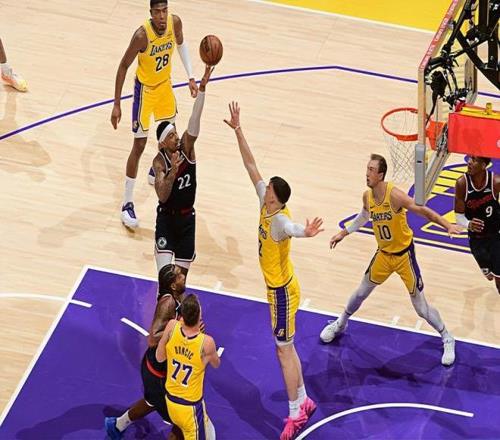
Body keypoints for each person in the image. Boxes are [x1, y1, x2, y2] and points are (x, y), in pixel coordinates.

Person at [224, 102, 323, 439]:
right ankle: (304, 399)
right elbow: (251, 165)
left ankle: (295, 413)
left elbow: (292, 228)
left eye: (268, 189)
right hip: (279, 288)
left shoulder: (279, 219)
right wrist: (238, 130)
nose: (263, 186)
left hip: (281, 292)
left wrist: (306, 232)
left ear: (275, 199)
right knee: (287, 348)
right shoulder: (264, 202)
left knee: (283, 351)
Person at [320, 154, 462, 366]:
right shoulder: (367, 196)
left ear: (381, 175)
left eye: (371, 170)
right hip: (384, 255)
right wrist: (344, 232)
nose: (367, 173)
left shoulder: (394, 195)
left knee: (421, 309)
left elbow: (422, 210)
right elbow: (363, 216)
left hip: (404, 256)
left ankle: (447, 337)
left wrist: (447, 225)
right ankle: (340, 323)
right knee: (360, 292)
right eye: (367, 169)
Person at [111, 0, 198, 229]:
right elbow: (123, 66)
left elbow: (181, 44)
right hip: (145, 92)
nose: (161, 16)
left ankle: (156, 169)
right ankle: (127, 204)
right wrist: (117, 104)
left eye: (164, 10)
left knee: (171, 137)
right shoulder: (142, 35)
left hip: (164, 86)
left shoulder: (174, 23)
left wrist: (191, 76)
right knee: (139, 145)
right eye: (157, 12)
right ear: (151, 13)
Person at [105, 264, 186, 440]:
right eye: (180, 276)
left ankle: (117, 425)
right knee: (181, 421)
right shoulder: (168, 302)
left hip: (154, 368)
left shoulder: (176, 297)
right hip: (157, 372)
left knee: (152, 401)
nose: (183, 277)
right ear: (173, 285)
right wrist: (181, 329)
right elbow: (152, 338)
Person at [152, 65, 212, 276]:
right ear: (162, 143)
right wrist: (173, 172)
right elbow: (162, 195)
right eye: (171, 136)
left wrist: (202, 91)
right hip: (166, 220)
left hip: (187, 220)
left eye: (175, 133)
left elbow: (194, 122)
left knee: (180, 282)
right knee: (165, 279)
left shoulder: (186, 147)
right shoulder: (159, 162)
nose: (176, 137)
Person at [156, 293, 220, 440]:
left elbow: (160, 358)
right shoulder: (207, 342)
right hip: (190, 408)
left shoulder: (172, 326)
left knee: (208, 429)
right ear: (199, 315)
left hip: (170, 401)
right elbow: (216, 364)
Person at [454, 155, 500, 294]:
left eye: (474, 160)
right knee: (489, 276)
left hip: (495, 235)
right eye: (470, 158)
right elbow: (459, 216)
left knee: (498, 278)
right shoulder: (462, 183)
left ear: (483, 165)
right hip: (476, 239)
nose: (469, 162)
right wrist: (469, 224)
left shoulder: (495, 182)